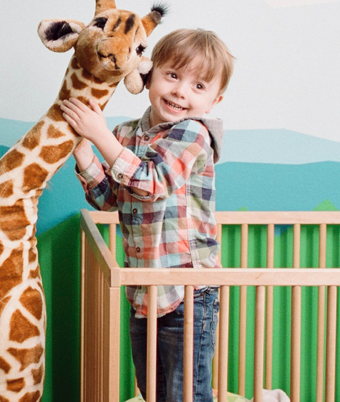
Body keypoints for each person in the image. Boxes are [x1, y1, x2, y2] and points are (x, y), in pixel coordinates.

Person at [60, 28, 234, 402]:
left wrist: (101, 138)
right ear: (149, 73)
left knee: (185, 392)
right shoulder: (125, 133)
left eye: (198, 86)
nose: (180, 91)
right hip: (144, 288)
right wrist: (87, 156)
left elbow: (153, 182)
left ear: (214, 100)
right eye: (172, 75)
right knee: (150, 388)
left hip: (190, 289)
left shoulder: (194, 133)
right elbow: (110, 201)